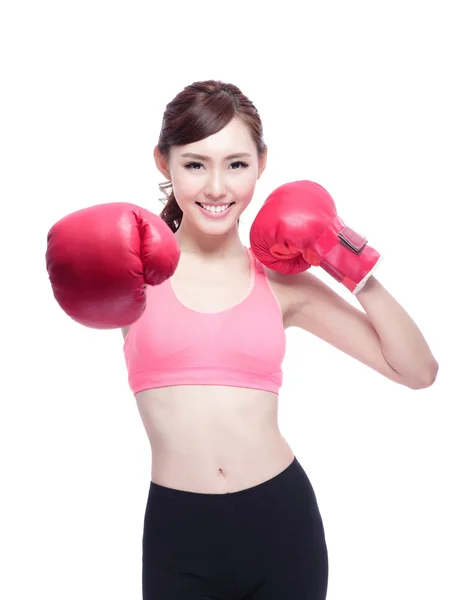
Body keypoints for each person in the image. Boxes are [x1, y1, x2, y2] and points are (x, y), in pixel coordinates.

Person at [46, 79, 438, 600]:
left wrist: (349, 259)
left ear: (261, 163)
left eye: (236, 164)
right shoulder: (132, 276)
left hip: (281, 525)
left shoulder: (281, 285)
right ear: (163, 164)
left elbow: (418, 371)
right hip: (177, 532)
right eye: (194, 164)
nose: (216, 187)